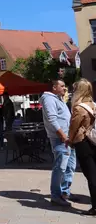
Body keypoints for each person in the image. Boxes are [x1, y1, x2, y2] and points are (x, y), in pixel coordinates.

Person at [41, 79, 76, 207]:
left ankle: (65, 192)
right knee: (60, 167)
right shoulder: (49, 99)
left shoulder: (58, 99)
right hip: (60, 139)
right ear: (54, 87)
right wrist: (62, 135)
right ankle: (56, 196)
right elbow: (52, 119)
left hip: (68, 138)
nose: (65, 88)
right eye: (62, 86)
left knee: (70, 166)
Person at [68, 78, 96, 215]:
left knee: (91, 175)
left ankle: (95, 207)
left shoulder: (79, 108)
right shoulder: (94, 105)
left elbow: (73, 127)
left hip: (83, 142)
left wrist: (70, 140)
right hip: (94, 140)